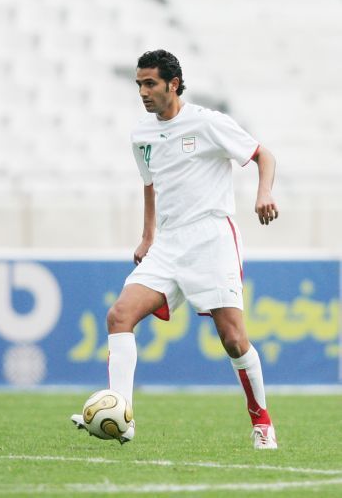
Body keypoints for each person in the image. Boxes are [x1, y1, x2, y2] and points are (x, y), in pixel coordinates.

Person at [72, 50, 279, 449]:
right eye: (139, 84)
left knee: (233, 339)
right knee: (119, 316)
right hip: (168, 243)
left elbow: (263, 155)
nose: (143, 92)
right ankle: (122, 416)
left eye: (150, 84)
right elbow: (150, 183)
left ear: (174, 84)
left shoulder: (207, 122)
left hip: (211, 238)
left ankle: (262, 423)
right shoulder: (141, 135)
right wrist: (147, 235)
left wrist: (264, 193)